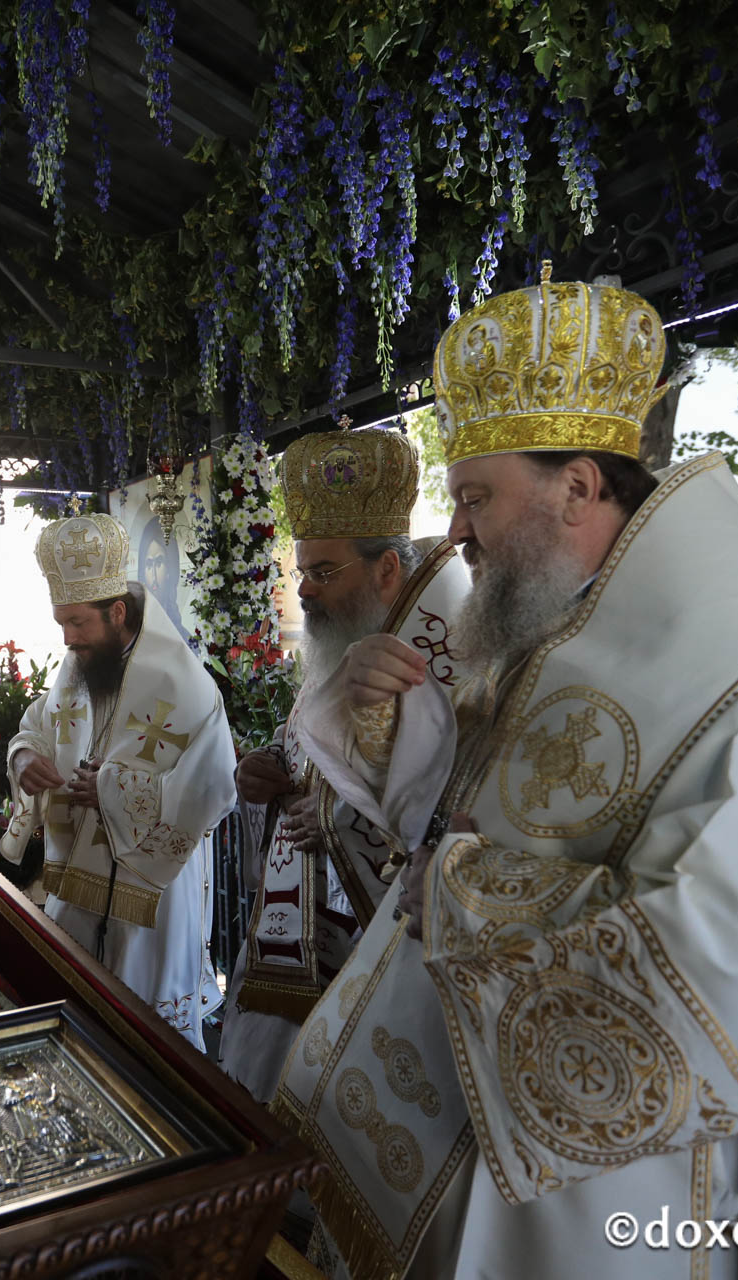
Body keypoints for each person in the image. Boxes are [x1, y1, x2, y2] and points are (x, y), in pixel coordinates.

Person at [272, 269, 738, 1278]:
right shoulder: (552, 645)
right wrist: (374, 725)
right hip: (496, 1161)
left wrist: (460, 894)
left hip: (635, 1198)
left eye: (475, 498)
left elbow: (723, 966)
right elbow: (454, 815)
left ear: (580, 486)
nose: (456, 531)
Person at [218, 425, 468, 1103]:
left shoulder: (446, 655)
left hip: (376, 941)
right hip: (300, 923)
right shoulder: (348, 635)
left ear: (387, 569)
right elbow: (308, 743)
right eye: (301, 571)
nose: (305, 591)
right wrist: (267, 771)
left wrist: (331, 813)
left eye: (324, 572)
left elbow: (449, 806)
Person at [4, 513, 238, 1049]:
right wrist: (23, 761)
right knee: (76, 1009)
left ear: (116, 612)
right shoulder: (78, 666)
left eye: (77, 623)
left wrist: (109, 791)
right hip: (79, 884)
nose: (67, 637)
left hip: (151, 888)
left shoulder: (183, 683)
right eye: (60, 621)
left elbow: (215, 784)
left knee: (148, 1034)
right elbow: (35, 728)